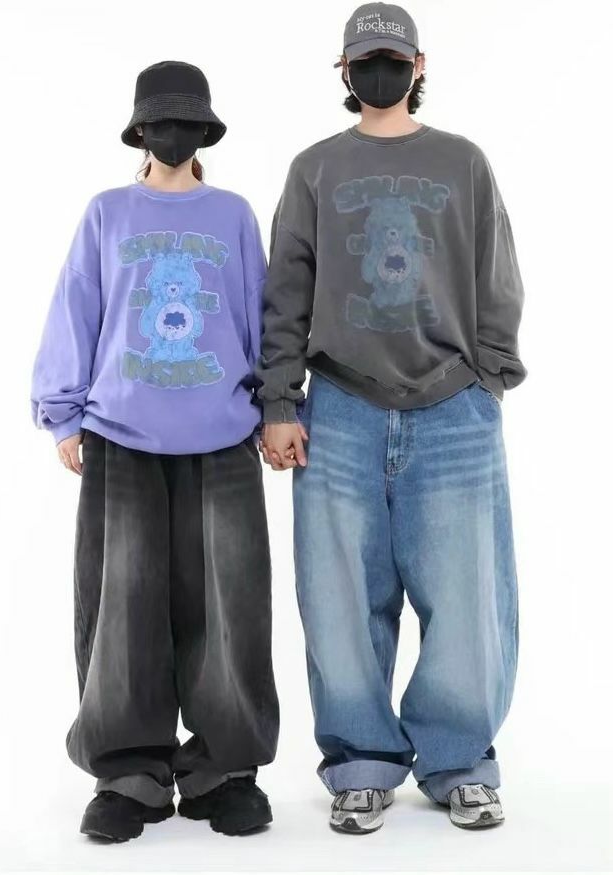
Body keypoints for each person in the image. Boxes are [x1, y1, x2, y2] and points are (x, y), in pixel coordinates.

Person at [258, 2, 525, 833]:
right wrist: (279, 401)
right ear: (344, 71)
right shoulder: (313, 168)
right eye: (365, 60)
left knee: (467, 594)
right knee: (338, 598)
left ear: (419, 65)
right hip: (339, 407)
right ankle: (361, 764)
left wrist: (489, 379)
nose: (381, 71)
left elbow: (496, 275)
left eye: (393, 58)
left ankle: (460, 762)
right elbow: (285, 292)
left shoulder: (463, 162)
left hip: (453, 405)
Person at [31, 60, 279, 842]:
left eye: (187, 123)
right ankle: (129, 772)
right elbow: (77, 306)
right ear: (140, 130)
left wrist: (276, 406)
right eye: (162, 122)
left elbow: (259, 313)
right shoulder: (107, 213)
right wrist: (63, 413)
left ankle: (222, 769)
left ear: (206, 131)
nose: (174, 135)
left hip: (223, 435)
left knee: (229, 606)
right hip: (122, 435)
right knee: (122, 605)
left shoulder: (233, 215)